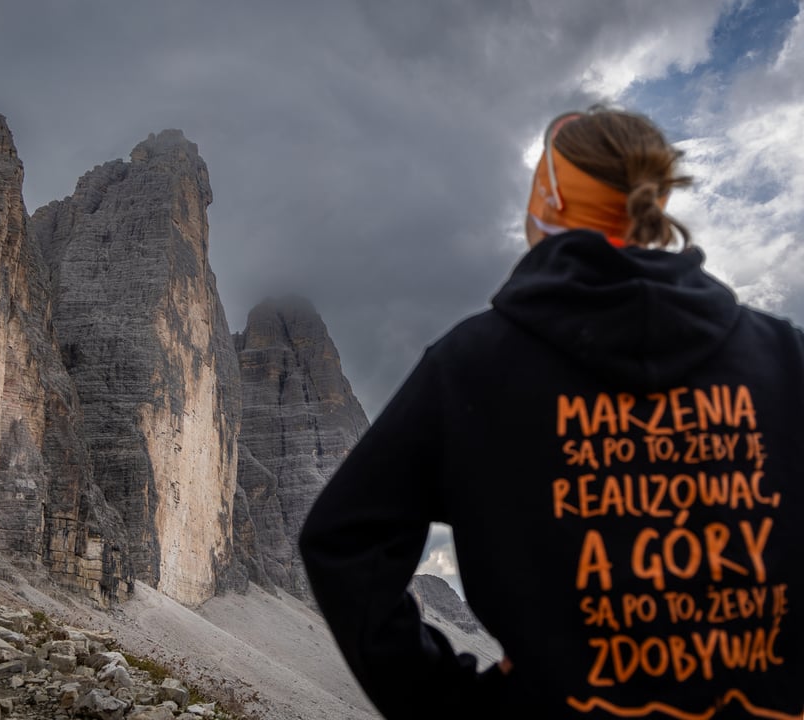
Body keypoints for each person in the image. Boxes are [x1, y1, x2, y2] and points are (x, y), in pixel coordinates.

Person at [299, 107, 804, 719]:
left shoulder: (473, 363)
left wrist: (457, 706)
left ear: (550, 197)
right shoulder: (783, 355)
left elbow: (344, 540)